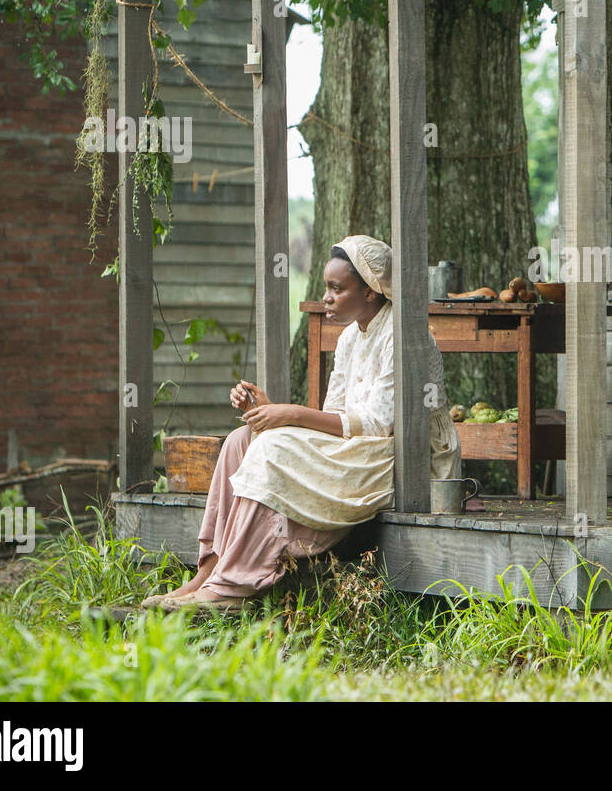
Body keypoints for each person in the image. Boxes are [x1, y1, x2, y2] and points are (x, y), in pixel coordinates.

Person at [142, 234, 461, 611]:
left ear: (372, 291)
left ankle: (235, 585)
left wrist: (290, 415)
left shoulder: (405, 337)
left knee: (271, 446)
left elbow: (376, 425)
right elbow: (336, 414)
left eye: (336, 288)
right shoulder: (348, 339)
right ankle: (209, 571)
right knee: (242, 440)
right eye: (326, 287)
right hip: (357, 448)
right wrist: (270, 411)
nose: (325, 297)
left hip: (400, 458)